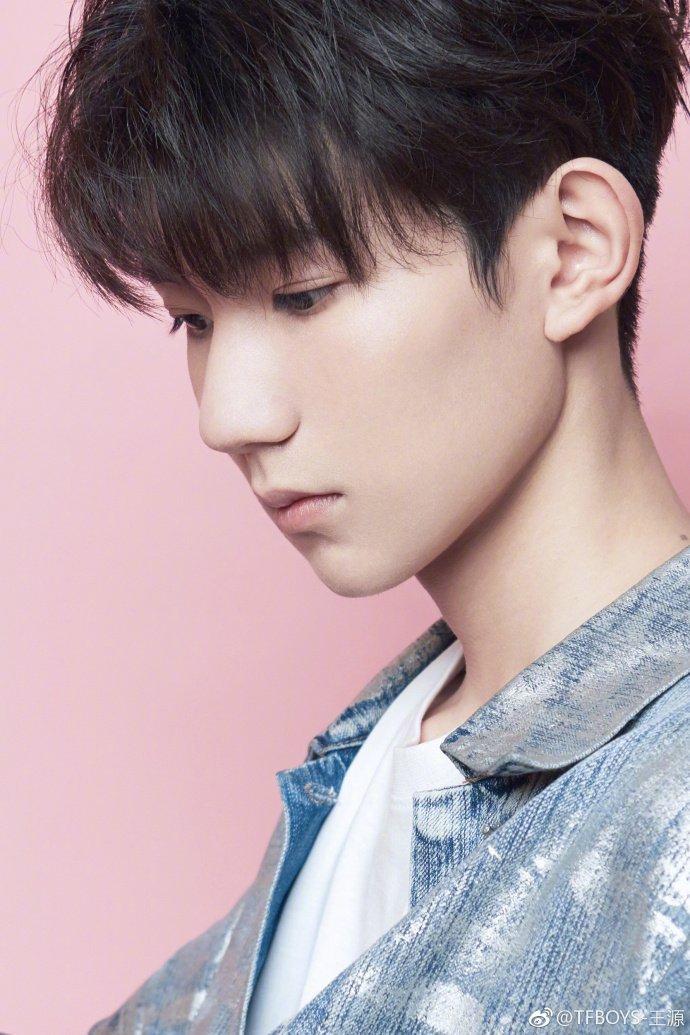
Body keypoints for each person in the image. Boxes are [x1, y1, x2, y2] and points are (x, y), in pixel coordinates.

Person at [32, 0, 690, 1030]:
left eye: (303, 294)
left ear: (572, 251)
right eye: (194, 321)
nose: (226, 415)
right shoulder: (361, 782)